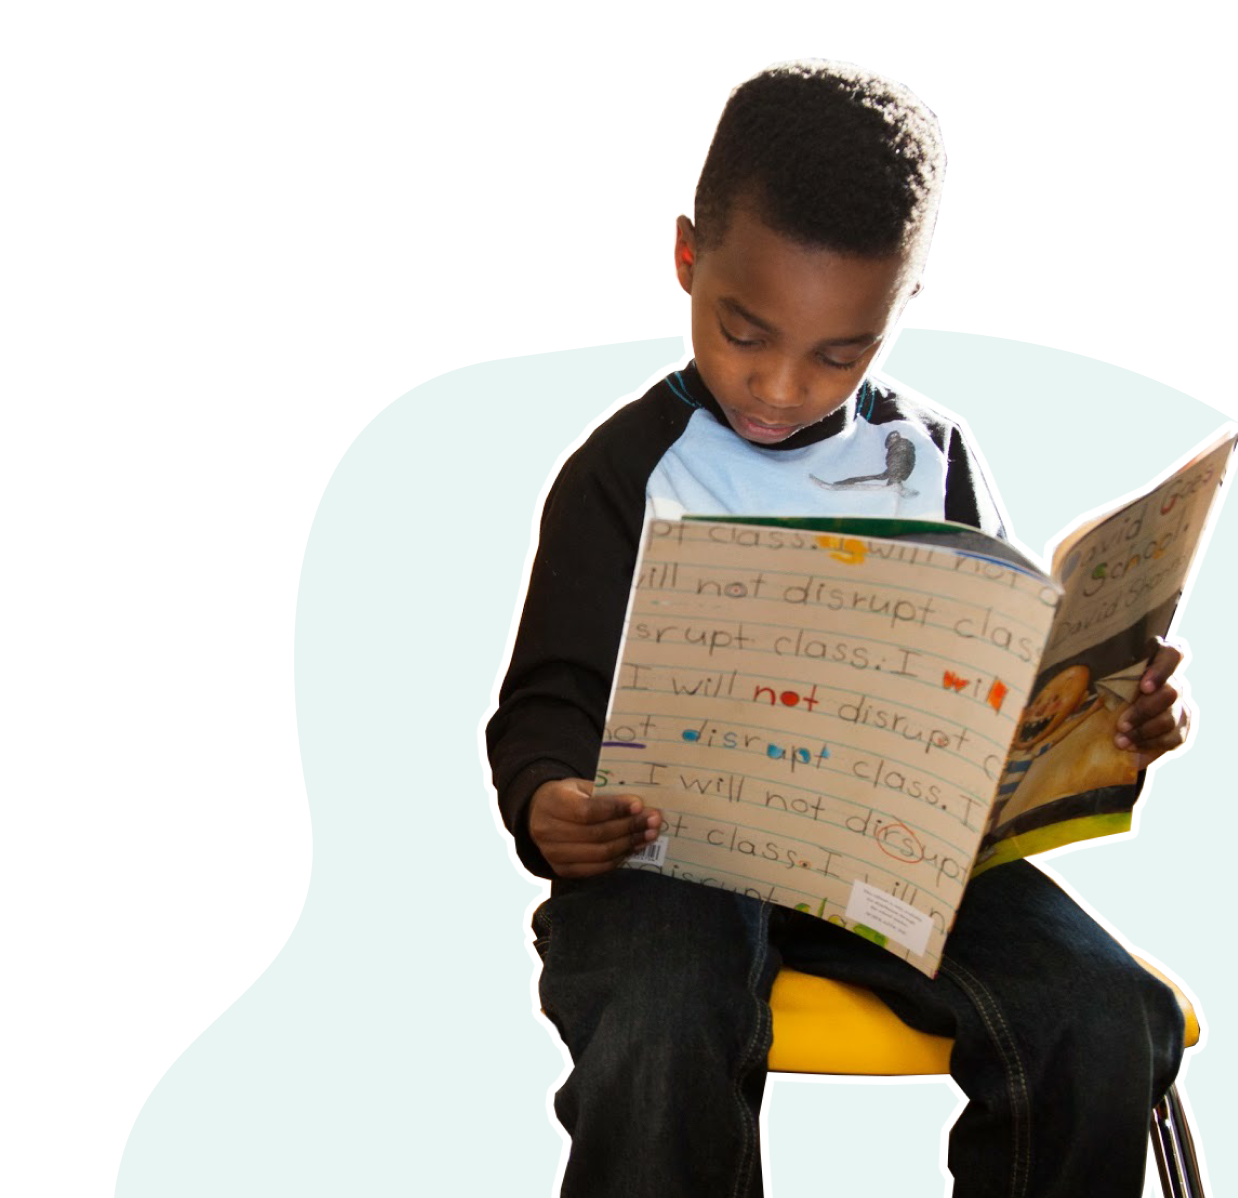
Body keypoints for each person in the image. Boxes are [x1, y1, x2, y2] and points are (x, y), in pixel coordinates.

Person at [485, 51, 1193, 1198]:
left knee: (1106, 1014)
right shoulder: (622, 473)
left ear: (905, 307)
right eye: (743, 330)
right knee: (664, 1023)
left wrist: (1112, 715)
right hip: (671, 857)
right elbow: (546, 703)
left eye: (840, 353)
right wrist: (549, 799)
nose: (776, 388)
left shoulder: (937, 456)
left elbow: (996, 676)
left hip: (898, 861)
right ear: (683, 257)